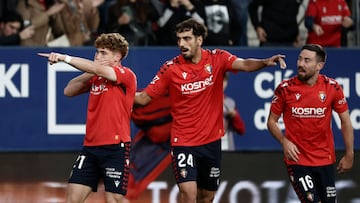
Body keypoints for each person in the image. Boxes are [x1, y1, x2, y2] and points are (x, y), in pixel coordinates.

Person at [134, 18, 286, 202]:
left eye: (187, 38)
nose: (182, 43)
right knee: (189, 194)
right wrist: (117, 95)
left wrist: (265, 62)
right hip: (183, 140)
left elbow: (244, 64)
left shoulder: (217, 58)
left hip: (210, 142)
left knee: (207, 197)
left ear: (199, 40)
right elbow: (143, 98)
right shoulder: (170, 68)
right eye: (179, 39)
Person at [38, 33, 137, 203]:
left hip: (115, 148)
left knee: (114, 199)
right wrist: (91, 72)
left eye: (103, 53)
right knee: (73, 199)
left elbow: (98, 69)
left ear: (117, 56)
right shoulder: (95, 77)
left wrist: (64, 58)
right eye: (97, 52)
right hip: (90, 148)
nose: (98, 56)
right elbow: (68, 90)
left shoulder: (126, 74)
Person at [267, 44, 354, 202]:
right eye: (300, 59)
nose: (300, 64)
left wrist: (349, 154)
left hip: (325, 159)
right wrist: (284, 141)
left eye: (307, 60)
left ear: (319, 65)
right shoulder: (285, 89)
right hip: (297, 160)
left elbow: (346, 121)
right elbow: (271, 121)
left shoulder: (332, 87)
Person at [222, 73, 246, 151]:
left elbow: (241, 130)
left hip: (227, 148)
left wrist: (235, 116)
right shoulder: (205, 101)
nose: (222, 83)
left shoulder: (230, 102)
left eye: (224, 80)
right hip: (210, 148)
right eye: (220, 80)